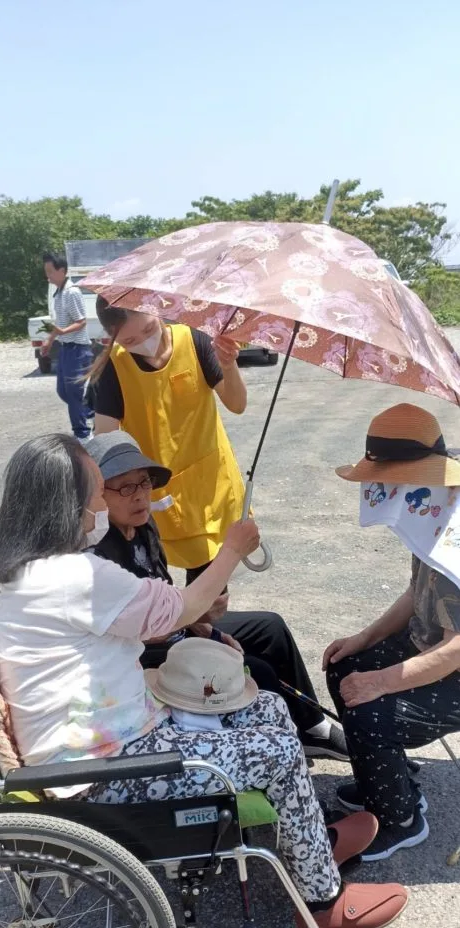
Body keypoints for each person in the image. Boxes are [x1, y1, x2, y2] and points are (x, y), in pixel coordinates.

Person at [0, 433, 407, 928]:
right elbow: (180, 609)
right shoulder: (72, 575)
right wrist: (232, 550)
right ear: (67, 503)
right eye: (98, 492)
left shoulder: (22, 574)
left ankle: (308, 844)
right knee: (280, 751)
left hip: (106, 743)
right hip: (105, 771)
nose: (101, 505)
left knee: (268, 707)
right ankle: (323, 902)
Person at [86, 430, 348, 761]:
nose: (139, 496)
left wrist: (206, 627)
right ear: (97, 494)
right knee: (254, 671)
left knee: (270, 629)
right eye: (125, 487)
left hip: (176, 623)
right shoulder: (96, 550)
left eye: (144, 483)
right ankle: (268, 752)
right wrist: (223, 568)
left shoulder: (145, 525)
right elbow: (137, 629)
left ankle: (312, 728)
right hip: (142, 651)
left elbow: (165, 590)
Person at [324, 403, 460, 861]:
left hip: (454, 663)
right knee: (344, 665)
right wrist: (362, 640)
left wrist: (381, 682)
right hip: (432, 646)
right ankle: (386, 778)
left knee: (368, 710)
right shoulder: (436, 507)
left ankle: (400, 818)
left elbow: (457, 647)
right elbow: (415, 592)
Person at [89, 298, 247, 577]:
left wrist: (228, 365)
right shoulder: (114, 367)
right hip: (159, 490)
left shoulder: (194, 341)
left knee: (211, 579)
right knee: (160, 579)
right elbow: (106, 442)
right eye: (130, 340)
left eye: (149, 329)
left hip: (212, 484)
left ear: (159, 312)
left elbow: (237, 404)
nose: (144, 343)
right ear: (113, 338)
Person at [41, 252, 94, 441]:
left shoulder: (72, 292)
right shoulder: (59, 293)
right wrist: (50, 340)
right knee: (63, 392)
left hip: (78, 349)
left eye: (50, 271)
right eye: (46, 271)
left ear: (62, 270)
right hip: (66, 348)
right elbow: (59, 324)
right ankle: (92, 413)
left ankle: (83, 435)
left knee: (73, 393)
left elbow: (81, 321)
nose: (47, 276)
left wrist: (62, 332)